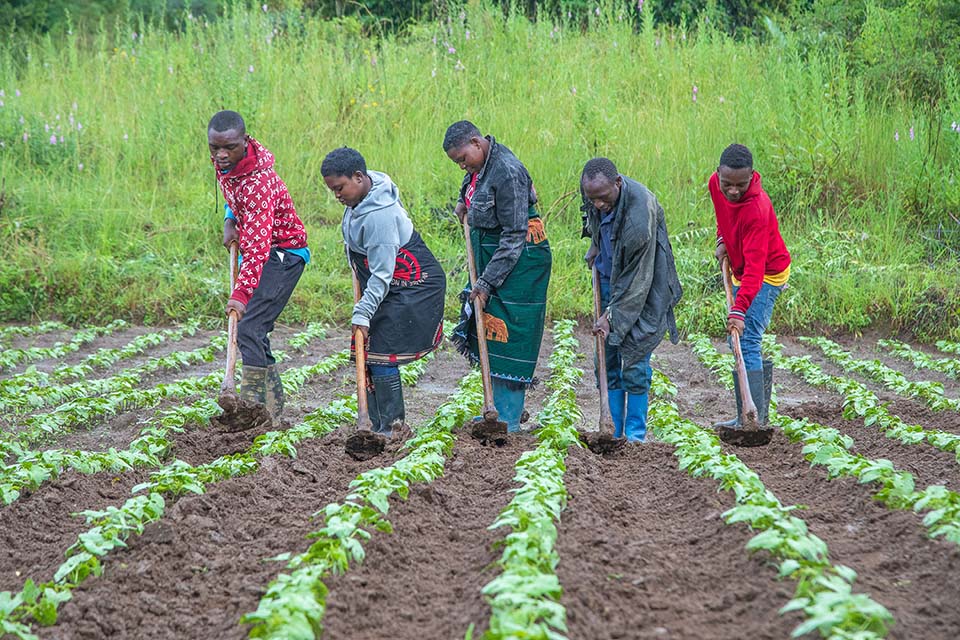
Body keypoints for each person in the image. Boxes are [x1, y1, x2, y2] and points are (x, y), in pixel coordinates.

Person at [321, 147, 446, 437]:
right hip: (389, 283)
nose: (337, 196)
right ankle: (375, 426)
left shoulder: (379, 217)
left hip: (414, 285)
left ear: (358, 177)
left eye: (340, 188)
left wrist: (363, 312)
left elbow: (381, 274)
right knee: (371, 349)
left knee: (380, 352)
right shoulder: (360, 197)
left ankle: (392, 428)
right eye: (332, 190)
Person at [442, 121, 552, 433]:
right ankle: (498, 409)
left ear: (477, 142)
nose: (463, 166)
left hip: (519, 262)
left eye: (463, 159)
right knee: (489, 328)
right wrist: (465, 200)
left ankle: (508, 417)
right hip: (497, 255)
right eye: (458, 163)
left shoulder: (507, 171)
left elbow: (515, 235)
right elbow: (475, 184)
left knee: (511, 335)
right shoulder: (482, 164)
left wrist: (487, 283)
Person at [208, 110, 310, 424]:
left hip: (283, 254)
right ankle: (271, 408)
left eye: (230, 148)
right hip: (262, 250)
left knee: (250, 326)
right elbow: (232, 194)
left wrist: (240, 295)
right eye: (215, 148)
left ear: (246, 142)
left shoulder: (258, 185)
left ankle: (253, 407)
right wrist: (229, 220)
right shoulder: (229, 165)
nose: (221, 155)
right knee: (254, 330)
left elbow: (257, 250)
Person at [581, 158, 682, 442]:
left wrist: (611, 317)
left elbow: (637, 282)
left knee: (635, 358)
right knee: (606, 357)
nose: (598, 204)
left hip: (645, 286)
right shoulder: (592, 188)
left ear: (618, 184)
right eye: (593, 198)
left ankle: (635, 435)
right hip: (607, 277)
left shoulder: (640, 219)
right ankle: (613, 429)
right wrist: (595, 244)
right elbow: (592, 214)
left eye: (603, 198)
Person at [709, 143, 791, 428]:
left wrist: (740, 310)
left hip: (767, 273)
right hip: (741, 266)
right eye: (727, 183)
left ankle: (751, 418)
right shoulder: (714, 185)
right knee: (744, 338)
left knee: (747, 338)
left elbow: (756, 271)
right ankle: (754, 413)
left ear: (752, 177)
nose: (732, 191)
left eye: (740, 185)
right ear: (718, 174)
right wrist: (722, 239)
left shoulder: (757, 208)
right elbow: (724, 216)